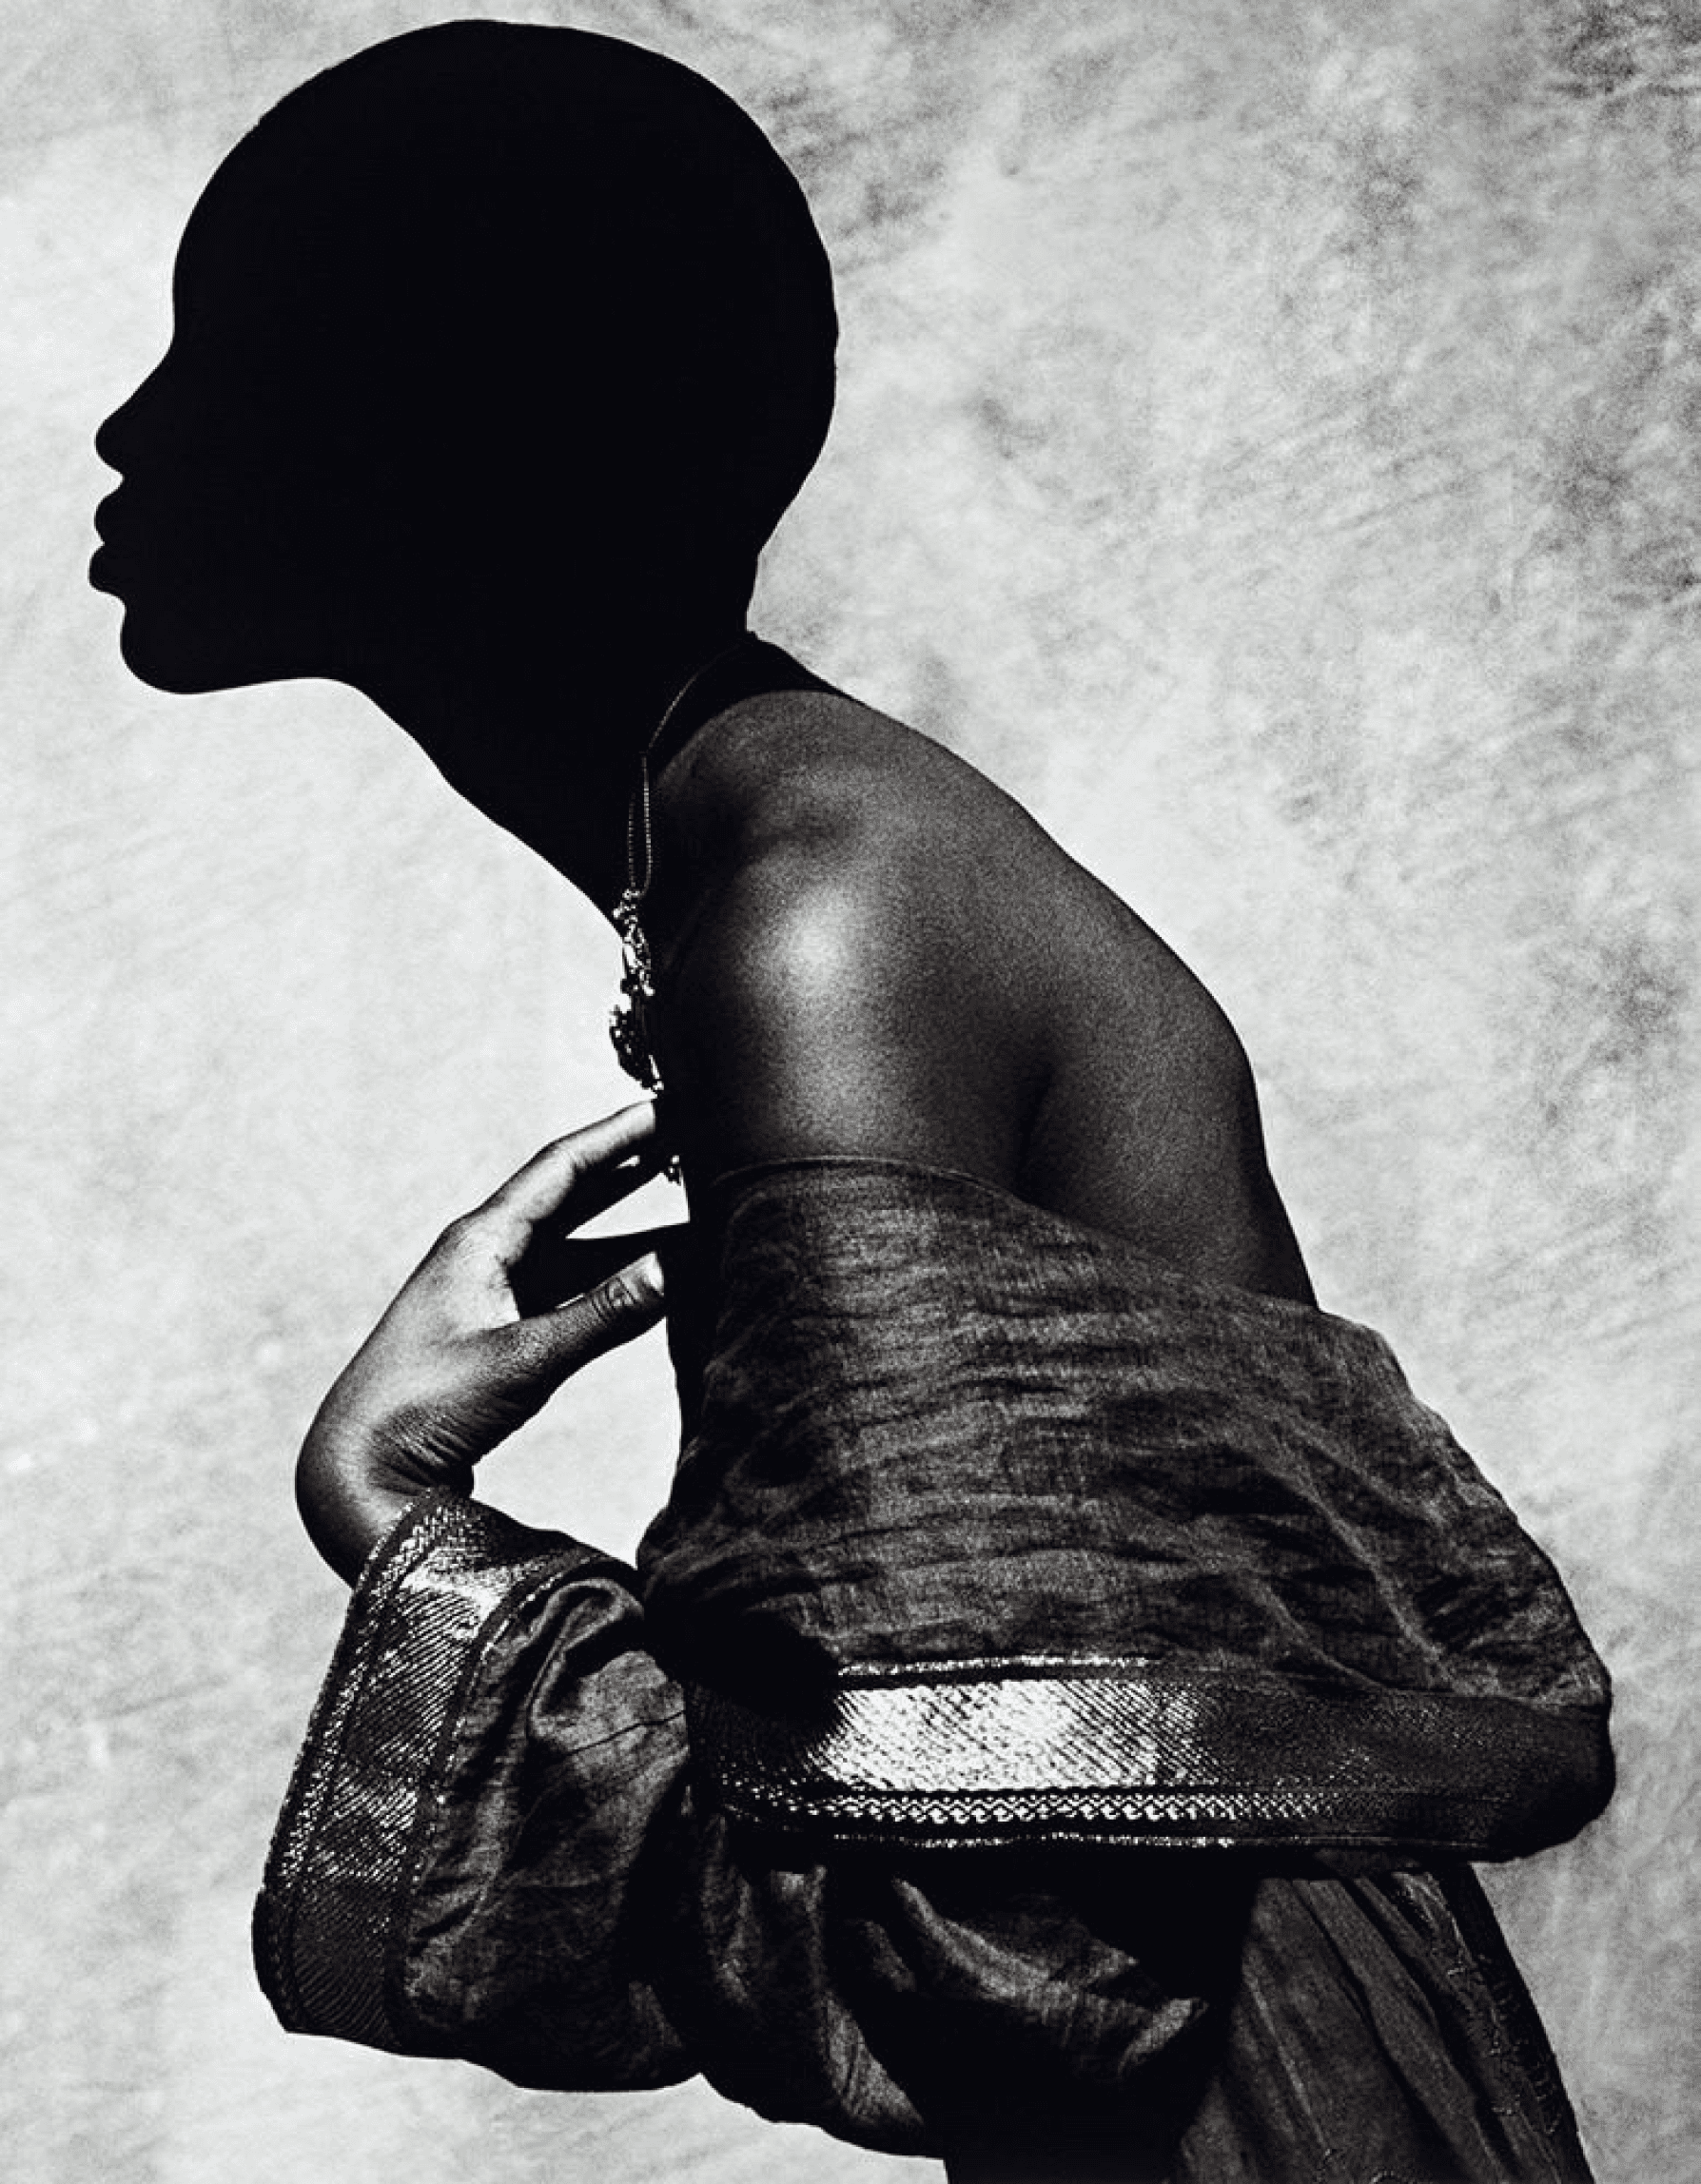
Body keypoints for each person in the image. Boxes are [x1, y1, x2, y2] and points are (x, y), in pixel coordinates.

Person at [91, 23, 1613, 2181]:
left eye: (236, 346)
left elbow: (985, 1949)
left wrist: (399, 1520)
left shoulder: (820, 919)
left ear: (447, 427)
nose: (131, 425)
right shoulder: (771, 849)